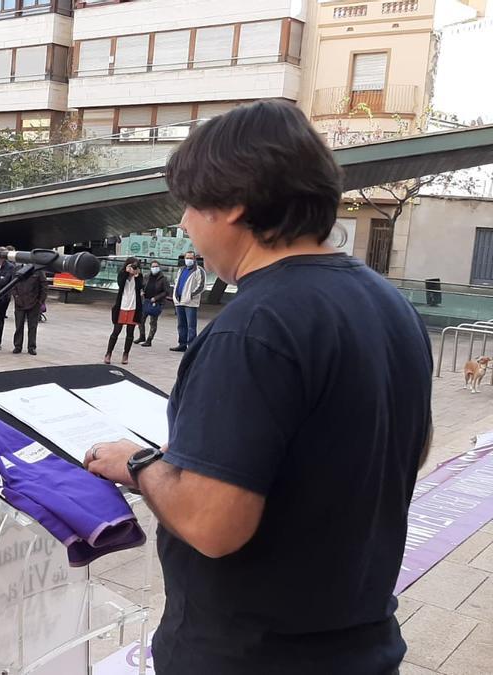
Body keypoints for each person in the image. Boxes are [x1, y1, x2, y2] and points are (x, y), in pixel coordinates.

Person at [84, 100, 434, 674]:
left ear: (235, 204)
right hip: (359, 645)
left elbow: (214, 527)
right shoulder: (387, 301)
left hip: (252, 654)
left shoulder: (254, 327)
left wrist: (142, 463)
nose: (183, 225)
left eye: (192, 205)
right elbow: (401, 449)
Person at [104, 258, 142, 365]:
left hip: (133, 307)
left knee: (130, 333)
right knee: (116, 331)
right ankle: (108, 353)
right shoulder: (122, 274)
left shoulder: (138, 276)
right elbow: (120, 283)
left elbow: (140, 287)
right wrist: (126, 272)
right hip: (122, 306)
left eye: (135, 266)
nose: (133, 268)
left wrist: (137, 275)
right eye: (132, 266)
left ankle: (125, 354)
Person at [170, 250, 207, 352]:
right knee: (181, 325)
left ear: (194, 259)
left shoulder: (199, 271)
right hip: (179, 301)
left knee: (191, 326)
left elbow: (202, 286)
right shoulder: (181, 270)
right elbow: (176, 282)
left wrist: (190, 295)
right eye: (187, 258)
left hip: (190, 303)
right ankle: (182, 344)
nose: (188, 260)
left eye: (191, 258)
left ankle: (191, 346)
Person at [11, 260, 47, 356]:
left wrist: (40, 302)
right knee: (19, 325)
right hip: (19, 303)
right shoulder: (17, 269)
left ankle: (31, 347)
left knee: (32, 326)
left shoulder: (38, 271)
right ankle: (17, 346)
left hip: (34, 303)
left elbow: (44, 287)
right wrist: (16, 297)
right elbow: (12, 285)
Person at [135, 260, 170, 348]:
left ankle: (149, 340)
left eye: (156, 266)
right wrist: (142, 291)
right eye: (153, 266)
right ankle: (142, 336)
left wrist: (156, 298)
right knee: (140, 320)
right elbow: (143, 286)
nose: (154, 268)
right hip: (146, 301)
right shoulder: (147, 276)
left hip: (156, 302)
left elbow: (166, 292)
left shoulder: (163, 278)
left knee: (153, 322)